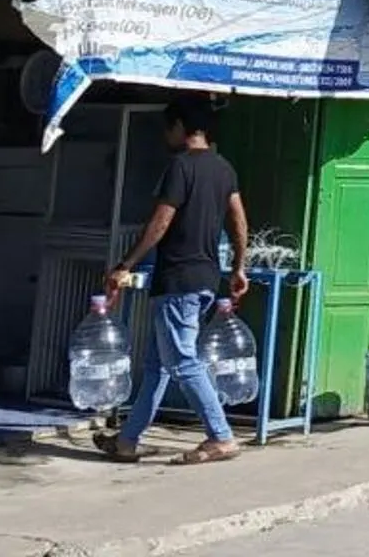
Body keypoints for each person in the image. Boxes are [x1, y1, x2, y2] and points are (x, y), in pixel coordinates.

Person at [100, 95, 252, 466]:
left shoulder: (180, 167)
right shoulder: (224, 168)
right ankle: (127, 440)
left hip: (179, 279)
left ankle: (220, 436)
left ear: (181, 127)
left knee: (182, 361)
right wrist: (238, 267)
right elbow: (239, 220)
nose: (165, 135)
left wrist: (125, 263)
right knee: (157, 364)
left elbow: (161, 222)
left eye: (168, 127)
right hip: (204, 278)